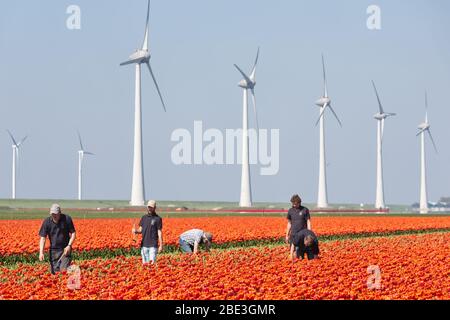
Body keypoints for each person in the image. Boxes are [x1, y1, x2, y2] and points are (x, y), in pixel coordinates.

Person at [38, 204, 76, 274]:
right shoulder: (47, 222)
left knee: (64, 270)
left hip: (65, 249)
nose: (54, 216)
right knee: (55, 272)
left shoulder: (67, 219)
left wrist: (69, 246)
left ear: (60, 213)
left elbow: (73, 233)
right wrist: (41, 252)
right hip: (53, 251)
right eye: (52, 214)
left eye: (56, 214)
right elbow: (43, 238)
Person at [132, 200, 163, 264]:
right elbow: (140, 230)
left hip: (153, 245)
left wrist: (161, 245)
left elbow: (159, 232)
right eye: (148, 207)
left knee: (151, 264)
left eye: (151, 207)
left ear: (154, 207)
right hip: (144, 245)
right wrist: (135, 231)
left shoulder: (158, 219)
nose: (149, 208)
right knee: (145, 265)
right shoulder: (144, 218)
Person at [285, 194, 312, 260]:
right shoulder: (290, 211)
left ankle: (301, 263)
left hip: (302, 234)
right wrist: (287, 235)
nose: (294, 205)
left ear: (299, 202)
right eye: (293, 203)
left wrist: (309, 233)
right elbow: (289, 223)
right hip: (293, 234)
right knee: (293, 251)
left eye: (295, 204)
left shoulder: (305, 210)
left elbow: (308, 222)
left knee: (300, 252)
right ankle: (293, 264)